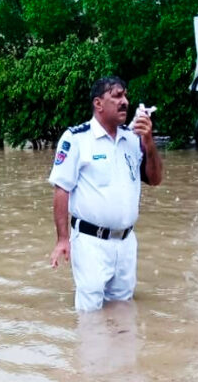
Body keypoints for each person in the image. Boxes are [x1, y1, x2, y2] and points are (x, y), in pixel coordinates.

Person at [48, 76, 163, 312]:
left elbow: (155, 179)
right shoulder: (77, 139)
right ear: (98, 103)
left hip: (126, 242)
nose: (125, 102)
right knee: (90, 315)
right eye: (117, 96)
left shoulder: (132, 139)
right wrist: (62, 239)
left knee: (123, 311)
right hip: (91, 242)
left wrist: (149, 143)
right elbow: (62, 189)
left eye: (125, 96)